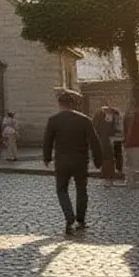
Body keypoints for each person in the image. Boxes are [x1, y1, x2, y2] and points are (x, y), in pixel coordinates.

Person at [42, 91, 102, 236]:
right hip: (80, 160)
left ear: (60, 105)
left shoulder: (53, 120)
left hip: (62, 161)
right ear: (72, 104)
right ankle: (81, 219)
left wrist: (47, 157)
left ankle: (69, 216)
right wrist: (98, 160)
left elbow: (48, 141)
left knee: (62, 189)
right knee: (81, 189)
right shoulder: (84, 120)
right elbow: (94, 141)